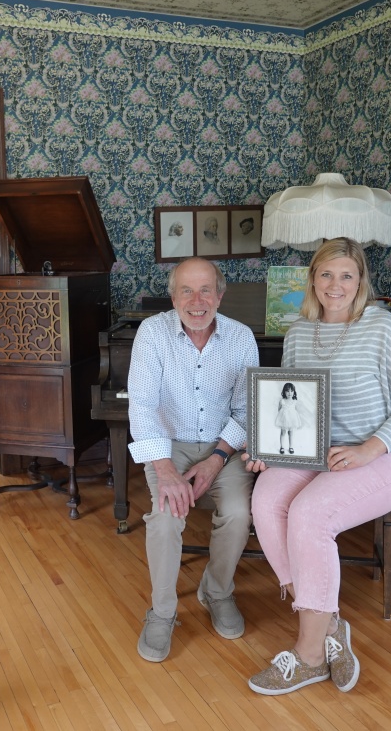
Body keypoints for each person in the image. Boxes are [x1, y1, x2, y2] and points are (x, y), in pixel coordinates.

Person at [244, 238, 391, 695]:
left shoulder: (384, 328)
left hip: (385, 457)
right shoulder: (298, 332)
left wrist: (371, 447)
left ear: (361, 281)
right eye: (326, 274)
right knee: (265, 502)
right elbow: (292, 402)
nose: (335, 284)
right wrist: (269, 448)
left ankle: (309, 656)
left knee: (309, 514)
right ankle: (328, 625)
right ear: (312, 280)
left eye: (346, 275)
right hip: (315, 452)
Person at [127, 257, 260, 663]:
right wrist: (165, 470)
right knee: (166, 517)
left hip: (224, 445)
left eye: (206, 290)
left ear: (221, 295)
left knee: (239, 513)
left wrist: (217, 459)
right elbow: (143, 405)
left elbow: (245, 411)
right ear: (173, 296)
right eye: (186, 290)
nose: (197, 300)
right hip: (169, 445)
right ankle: (163, 613)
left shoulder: (241, 337)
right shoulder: (152, 333)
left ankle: (216, 591)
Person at [274, 382, 308, 455]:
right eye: (287, 391)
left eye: (291, 391)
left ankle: (291, 447)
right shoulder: (282, 401)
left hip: (292, 420)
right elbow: (279, 410)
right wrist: (283, 416)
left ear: (294, 392)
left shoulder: (294, 401)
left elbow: (296, 411)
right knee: (283, 432)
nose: (290, 393)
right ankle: (282, 447)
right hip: (284, 419)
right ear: (284, 392)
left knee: (291, 433)